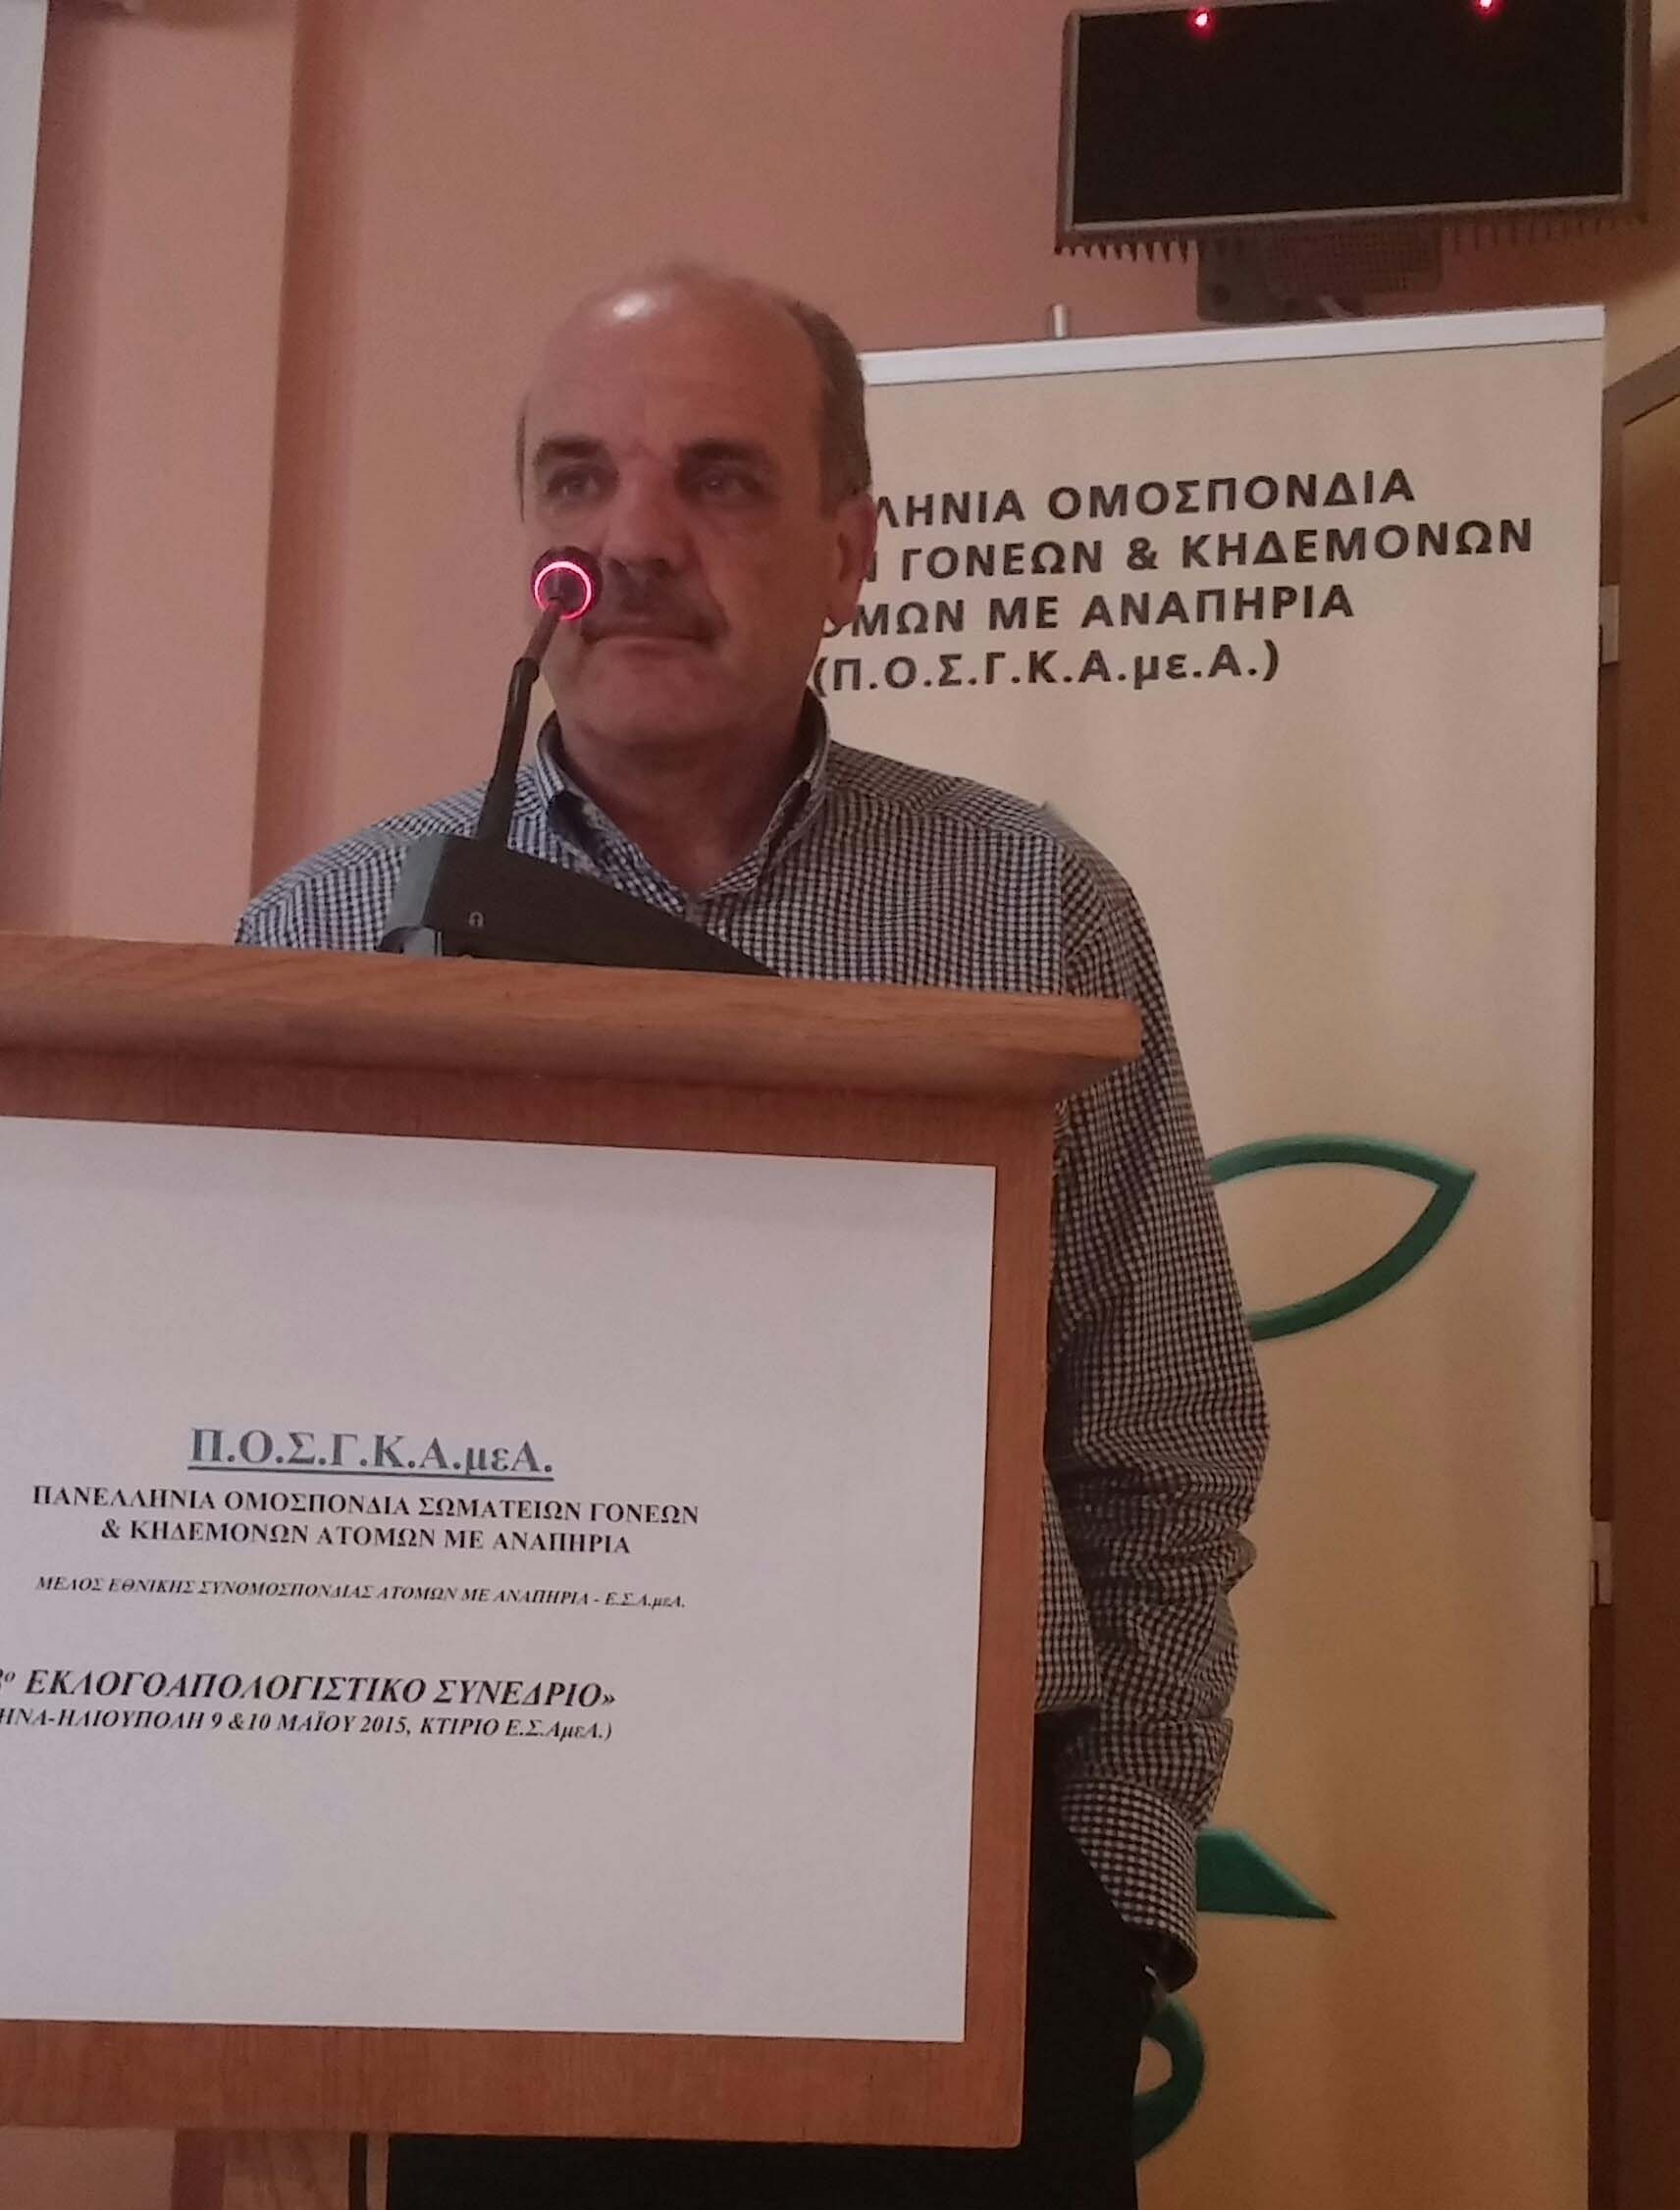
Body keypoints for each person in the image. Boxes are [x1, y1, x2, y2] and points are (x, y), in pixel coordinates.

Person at [236, 264, 1268, 2209]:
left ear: (849, 553)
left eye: (716, 479)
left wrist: (1113, 1893)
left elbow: (1165, 1442)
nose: (631, 539)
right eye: (577, 479)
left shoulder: (1031, 910)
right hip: (491, 1898)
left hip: (963, 1899)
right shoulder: (330, 934)